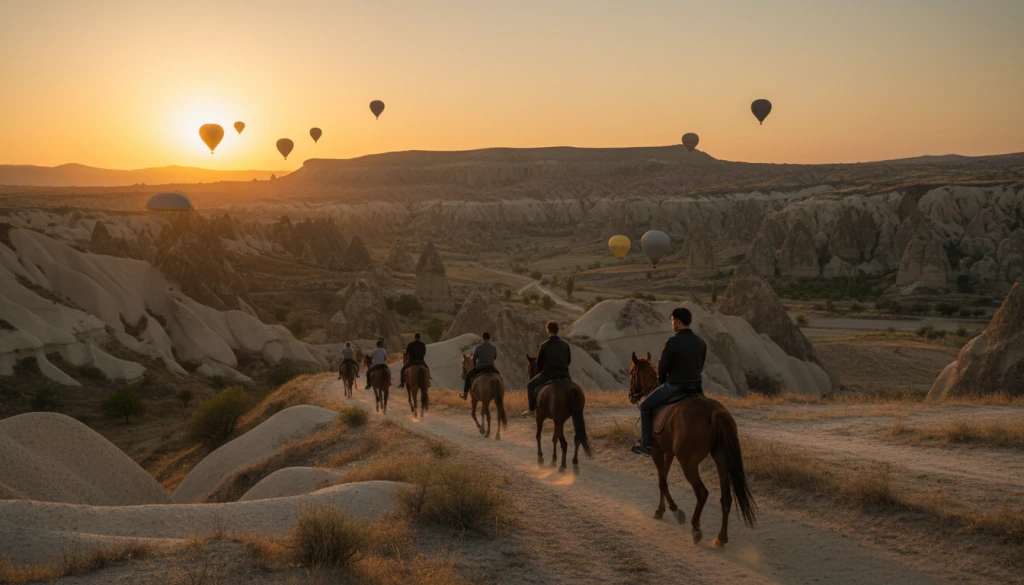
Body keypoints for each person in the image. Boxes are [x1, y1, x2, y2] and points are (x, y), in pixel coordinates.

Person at [632, 307, 707, 456]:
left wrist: (662, 381)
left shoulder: (672, 342)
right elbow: (701, 366)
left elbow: (662, 367)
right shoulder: (701, 342)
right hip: (696, 387)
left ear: (678, 322)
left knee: (645, 406)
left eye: (672, 320)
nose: (672, 323)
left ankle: (646, 444)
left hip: (676, 386)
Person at [522, 321, 572, 417]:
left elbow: (539, 364)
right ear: (557, 330)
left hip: (548, 374)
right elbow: (569, 361)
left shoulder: (544, 345)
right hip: (564, 374)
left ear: (547, 331)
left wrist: (542, 371)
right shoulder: (565, 344)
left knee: (530, 385)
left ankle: (531, 410)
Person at [461, 332, 498, 399]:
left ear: (482, 338)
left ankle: (465, 395)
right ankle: (499, 393)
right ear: (489, 338)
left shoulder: (478, 347)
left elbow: (474, 358)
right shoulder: (494, 347)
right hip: (491, 367)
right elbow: (495, 357)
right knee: (498, 376)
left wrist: (475, 366)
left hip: (481, 367)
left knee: (467, 376)